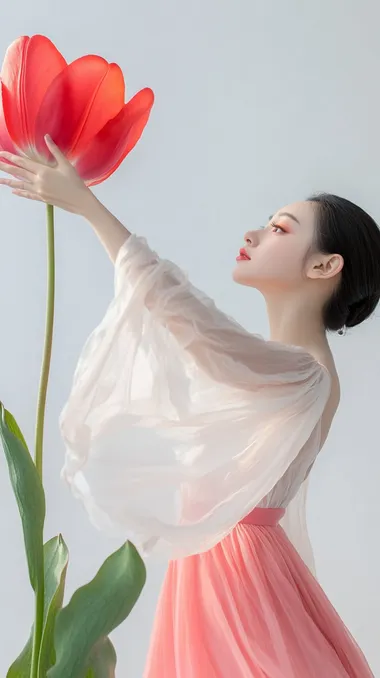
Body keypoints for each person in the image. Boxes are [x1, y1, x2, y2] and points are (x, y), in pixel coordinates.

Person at [0, 137, 378, 677]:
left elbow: (184, 316)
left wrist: (88, 206)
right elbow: (186, 328)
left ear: (325, 266)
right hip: (221, 565)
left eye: (279, 229)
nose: (252, 233)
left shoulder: (304, 373)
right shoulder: (281, 367)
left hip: (241, 577)